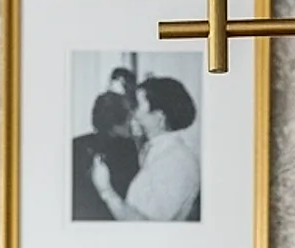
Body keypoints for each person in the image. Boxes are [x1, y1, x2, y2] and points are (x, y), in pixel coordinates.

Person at [90, 75, 201, 222]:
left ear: (159, 117)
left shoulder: (177, 162)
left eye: (137, 106)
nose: (132, 113)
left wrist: (106, 191)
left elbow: (146, 227)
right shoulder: (154, 151)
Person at [71, 91, 140, 220]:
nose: (133, 122)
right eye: (129, 118)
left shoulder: (76, 143)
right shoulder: (128, 148)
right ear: (119, 121)